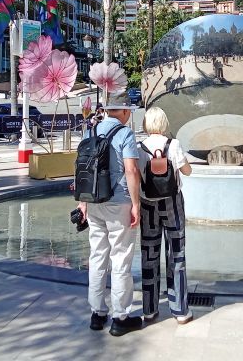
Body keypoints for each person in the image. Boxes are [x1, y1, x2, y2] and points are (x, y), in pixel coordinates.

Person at [75, 92, 143, 337]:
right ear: (124, 111)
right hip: (119, 202)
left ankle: (97, 313)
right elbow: (131, 170)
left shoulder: (90, 131)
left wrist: (83, 202)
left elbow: (81, 167)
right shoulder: (125, 134)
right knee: (121, 258)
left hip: (94, 201)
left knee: (97, 256)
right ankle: (120, 317)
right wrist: (136, 204)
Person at [138, 107, 194, 325]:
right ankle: (180, 310)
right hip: (172, 204)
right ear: (164, 123)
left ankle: (149, 309)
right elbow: (187, 171)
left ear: (146, 124)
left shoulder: (140, 147)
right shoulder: (174, 144)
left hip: (147, 205)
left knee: (149, 255)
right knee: (176, 254)